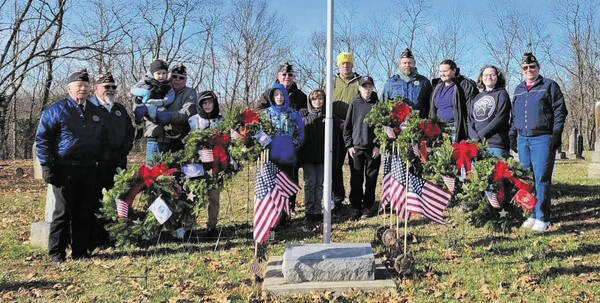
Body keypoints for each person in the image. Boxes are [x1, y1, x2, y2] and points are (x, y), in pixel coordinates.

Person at [35, 69, 107, 265]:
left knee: (84, 211)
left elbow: (103, 139)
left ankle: (80, 252)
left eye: (85, 86)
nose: (82, 89)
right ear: (69, 89)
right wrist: (47, 166)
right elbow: (43, 140)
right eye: (78, 86)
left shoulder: (95, 112)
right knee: (63, 212)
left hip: (89, 168)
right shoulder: (56, 110)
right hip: (65, 168)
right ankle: (56, 254)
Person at [510, 52, 568, 232]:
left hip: (542, 138)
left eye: (532, 67)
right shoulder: (518, 89)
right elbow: (514, 115)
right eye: (525, 68)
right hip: (523, 138)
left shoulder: (549, 86)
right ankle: (531, 213)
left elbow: (560, 111)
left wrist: (556, 133)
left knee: (542, 177)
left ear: (538, 68)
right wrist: (512, 133)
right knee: (526, 178)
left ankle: (543, 217)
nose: (529, 70)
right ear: (522, 70)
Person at [89, 71, 135, 249]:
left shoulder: (119, 109)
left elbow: (130, 132)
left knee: (117, 199)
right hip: (97, 163)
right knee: (98, 200)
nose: (110, 90)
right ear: (96, 88)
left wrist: (123, 150)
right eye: (106, 87)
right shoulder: (90, 108)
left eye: (113, 87)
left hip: (117, 163)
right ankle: (97, 237)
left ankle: (114, 236)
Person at [137, 62, 198, 164]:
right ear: (170, 76)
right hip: (154, 138)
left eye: (181, 78)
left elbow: (187, 113)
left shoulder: (190, 93)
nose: (177, 79)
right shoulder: (156, 85)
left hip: (175, 141)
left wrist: (168, 116)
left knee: (171, 176)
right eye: (174, 76)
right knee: (151, 175)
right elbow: (140, 103)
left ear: (186, 80)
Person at [299, 89, 341, 225]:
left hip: (324, 158)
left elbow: (336, 137)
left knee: (321, 185)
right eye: (314, 99)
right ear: (310, 101)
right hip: (308, 158)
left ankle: (318, 210)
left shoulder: (329, 117)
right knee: (310, 184)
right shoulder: (304, 118)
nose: (317, 102)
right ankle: (309, 211)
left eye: (320, 99)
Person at [265, 83, 305, 221]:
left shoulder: (293, 113)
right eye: (276, 95)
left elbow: (300, 133)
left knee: (288, 182)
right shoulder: (267, 114)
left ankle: (289, 210)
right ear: (272, 97)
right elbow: (261, 133)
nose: (279, 97)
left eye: (282, 94)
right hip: (272, 156)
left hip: (288, 155)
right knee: (274, 184)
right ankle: (275, 211)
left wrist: (293, 145)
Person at [343, 76, 381, 220]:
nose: (367, 89)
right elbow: (347, 128)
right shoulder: (354, 104)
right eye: (364, 86)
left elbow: (382, 127)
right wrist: (349, 145)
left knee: (371, 179)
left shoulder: (377, 104)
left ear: (372, 87)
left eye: (369, 86)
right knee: (356, 179)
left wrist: (378, 145)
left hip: (373, 150)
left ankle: (368, 206)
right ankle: (356, 207)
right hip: (356, 149)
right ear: (359, 88)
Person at [188, 91, 224, 237]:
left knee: (214, 196)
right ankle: (189, 226)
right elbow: (188, 142)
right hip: (196, 164)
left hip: (215, 164)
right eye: (204, 103)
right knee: (194, 195)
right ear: (200, 105)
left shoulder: (221, 120)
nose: (208, 106)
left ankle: (212, 226)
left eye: (210, 103)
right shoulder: (193, 121)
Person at [331, 52, 361, 210]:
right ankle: (337, 199)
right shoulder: (332, 81)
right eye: (343, 63)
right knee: (335, 164)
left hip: (354, 128)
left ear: (352, 65)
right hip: (336, 128)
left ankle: (356, 201)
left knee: (355, 164)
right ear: (338, 65)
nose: (345, 66)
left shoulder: (360, 81)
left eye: (348, 63)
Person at [429, 59, 478, 142]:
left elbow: (470, 111)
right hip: (438, 129)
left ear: (454, 70)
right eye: (440, 71)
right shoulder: (437, 86)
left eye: (445, 71)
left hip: (455, 129)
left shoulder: (464, 85)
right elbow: (432, 109)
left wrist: (471, 135)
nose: (442, 74)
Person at [467, 65, 511, 158]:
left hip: (495, 144)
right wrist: (473, 136)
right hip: (478, 145)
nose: (489, 77)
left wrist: (480, 135)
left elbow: (501, 118)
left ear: (497, 77)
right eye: (485, 75)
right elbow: (470, 119)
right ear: (481, 78)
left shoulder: (502, 94)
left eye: (492, 75)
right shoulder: (477, 97)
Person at [131, 59, 175, 142]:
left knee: (164, 114)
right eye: (158, 73)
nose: (161, 76)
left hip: (158, 106)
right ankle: (139, 128)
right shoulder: (145, 81)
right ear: (152, 73)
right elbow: (133, 89)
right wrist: (144, 93)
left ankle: (168, 130)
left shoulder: (167, 85)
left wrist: (162, 101)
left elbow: (171, 96)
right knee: (139, 111)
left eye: (163, 73)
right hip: (146, 105)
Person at [381, 48, 432, 118]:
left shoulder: (424, 82)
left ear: (414, 63)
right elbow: (383, 105)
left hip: (418, 123)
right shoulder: (391, 83)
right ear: (400, 64)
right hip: (396, 126)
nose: (407, 65)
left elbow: (431, 105)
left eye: (409, 63)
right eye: (404, 63)